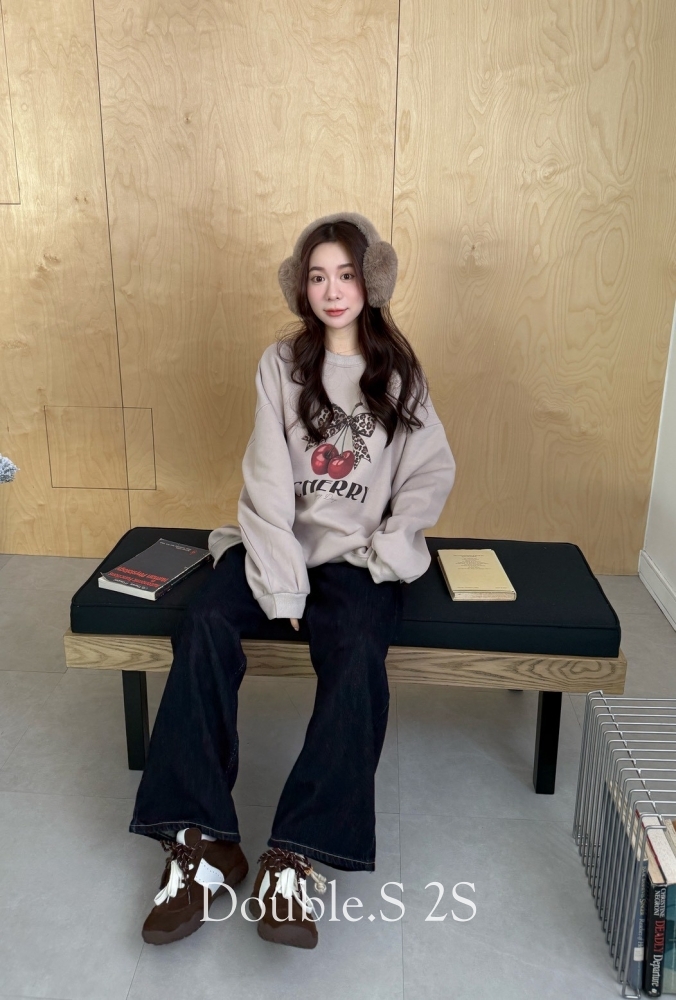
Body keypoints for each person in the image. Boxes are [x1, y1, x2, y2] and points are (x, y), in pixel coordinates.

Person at [129, 211, 456, 950]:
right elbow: (268, 482)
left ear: (372, 281)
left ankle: (293, 857)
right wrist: (282, 586)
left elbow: (429, 473)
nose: (332, 291)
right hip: (276, 547)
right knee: (205, 624)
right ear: (300, 287)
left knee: (358, 655)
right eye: (317, 277)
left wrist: (390, 552)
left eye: (346, 275)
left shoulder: (400, 375)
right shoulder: (280, 365)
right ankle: (202, 841)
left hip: (357, 560)